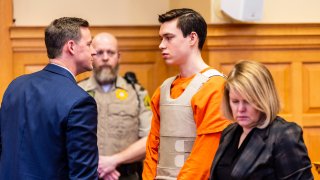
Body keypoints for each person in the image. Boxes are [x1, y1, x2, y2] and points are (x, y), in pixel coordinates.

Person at [0, 17, 99, 179]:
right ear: (71, 47)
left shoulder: (15, 86)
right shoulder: (80, 101)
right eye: (89, 44)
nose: (94, 51)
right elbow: (83, 175)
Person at [142, 8, 231, 179]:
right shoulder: (163, 89)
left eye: (169, 38)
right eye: (161, 38)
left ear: (192, 38)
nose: (161, 45)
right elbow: (153, 147)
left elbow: (205, 156)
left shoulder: (215, 87)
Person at [210, 60, 313, 180]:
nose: (240, 109)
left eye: (248, 101)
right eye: (235, 101)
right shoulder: (229, 133)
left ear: (263, 98)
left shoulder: (284, 135)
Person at [78, 32, 152, 180]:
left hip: (126, 175)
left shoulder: (138, 93)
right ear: (91, 55)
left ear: (118, 57)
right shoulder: (77, 91)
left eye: (110, 52)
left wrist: (114, 161)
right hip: (85, 174)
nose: (105, 58)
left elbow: (150, 139)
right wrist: (97, 164)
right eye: (99, 52)